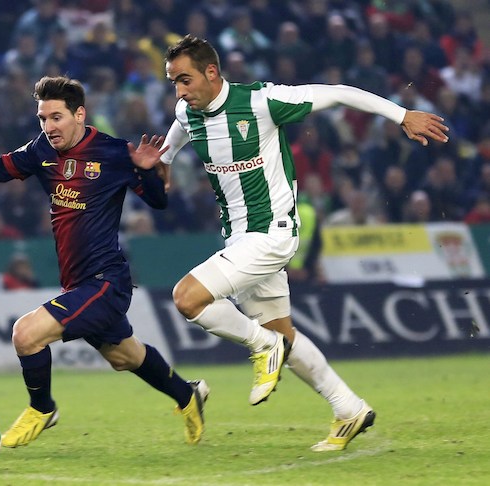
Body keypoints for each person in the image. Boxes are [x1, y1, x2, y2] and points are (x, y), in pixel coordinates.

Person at [148, 35, 449, 452]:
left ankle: (263, 346)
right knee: (283, 334)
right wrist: (164, 159)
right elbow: (180, 128)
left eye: (185, 80)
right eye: (173, 82)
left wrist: (401, 115)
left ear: (211, 72)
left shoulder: (262, 102)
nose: (179, 91)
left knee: (187, 298)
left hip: (272, 234)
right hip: (239, 238)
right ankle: (349, 409)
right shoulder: (187, 111)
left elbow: (339, 93)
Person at [0, 75, 209, 447]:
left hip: (106, 282)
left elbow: (158, 200)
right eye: (43, 118)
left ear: (79, 115)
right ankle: (187, 395)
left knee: (26, 334)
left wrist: (146, 169)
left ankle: (42, 408)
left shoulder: (113, 151)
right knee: (125, 356)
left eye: (56, 117)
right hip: (77, 283)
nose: (48, 126)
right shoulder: (42, 149)